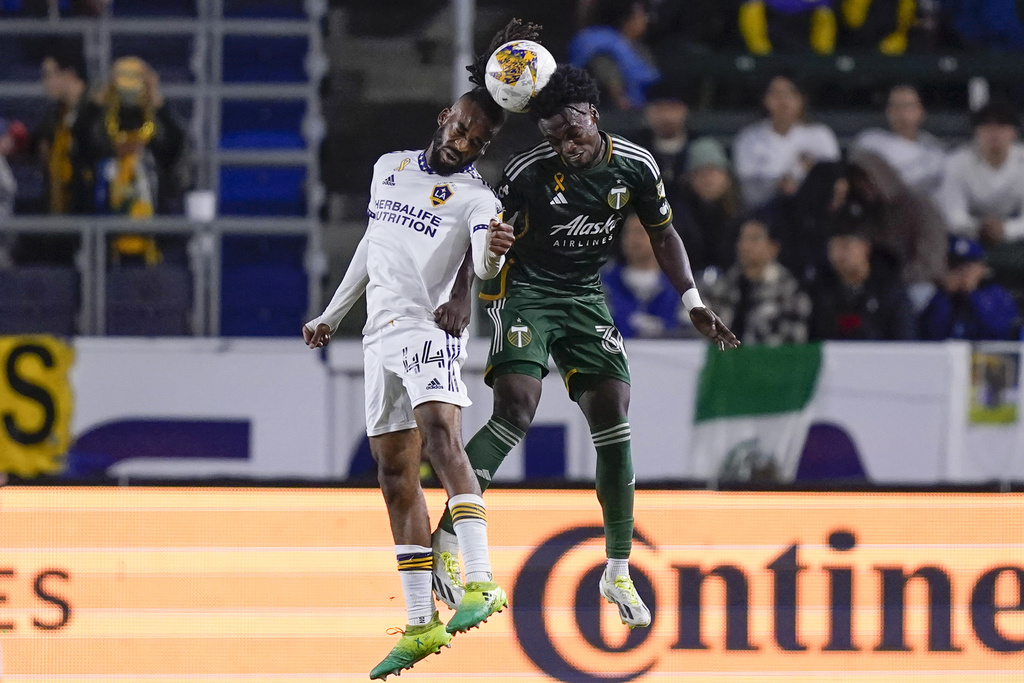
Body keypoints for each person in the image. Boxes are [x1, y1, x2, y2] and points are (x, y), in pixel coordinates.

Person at [431, 64, 738, 630]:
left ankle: (617, 568)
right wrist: (461, 297)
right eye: (552, 136)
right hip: (522, 290)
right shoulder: (528, 173)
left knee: (613, 414)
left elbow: (663, 233)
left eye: (571, 133)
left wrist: (693, 300)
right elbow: (479, 230)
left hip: (582, 295)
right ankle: (447, 536)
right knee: (518, 407)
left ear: (593, 116)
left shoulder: (637, 166)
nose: (565, 147)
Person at [301, 20, 530, 680]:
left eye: (477, 139)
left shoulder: (477, 198)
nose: (464, 142)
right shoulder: (389, 170)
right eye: (460, 128)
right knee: (395, 477)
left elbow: (485, 262)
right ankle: (422, 623)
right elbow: (373, 249)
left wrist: (486, 259)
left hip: (430, 333)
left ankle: (483, 579)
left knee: (441, 441)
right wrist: (330, 313)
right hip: (379, 336)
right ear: (443, 118)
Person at [845, 149, 948, 310]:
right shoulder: (863, 213)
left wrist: (894, 281)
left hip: (915, 284)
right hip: (874, 287)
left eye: (867, 179)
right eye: (857, 181)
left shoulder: (918, 206)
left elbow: (931, 263)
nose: (863, 186)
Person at [733, 73, 841, 209]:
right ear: (765, 99)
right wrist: (779, 186)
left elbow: (835, 184)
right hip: (767, 214)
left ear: (801, 99)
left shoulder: (820, 135)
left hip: (813, 213)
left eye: (790, 94)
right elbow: (748, 193)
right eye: (777, 94)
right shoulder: (748, 138)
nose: (784, 101)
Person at [809, 213, 916, 340]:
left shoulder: (889, 289)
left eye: (845, 246)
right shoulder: (820, 288)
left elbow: (905, 340)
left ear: (865, 248)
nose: (839, 254)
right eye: (833, 247)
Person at [706, 217, 811, 345]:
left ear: (773, 247)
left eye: (754, 239)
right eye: (742, 239)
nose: (746, 246)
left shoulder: (790, 291)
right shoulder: (724, 285)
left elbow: (795, 339)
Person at [851, 84, 947, 200]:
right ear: (888, 111)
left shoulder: (935, 150)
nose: (901, 113)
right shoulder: (870, 142)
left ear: (920, 111)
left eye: (907, 106)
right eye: (896, 107)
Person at [920, 235, 1020, 340]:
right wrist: (944, 294)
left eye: (968, 266)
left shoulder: (996, 294)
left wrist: (971, 295)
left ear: (981, 268)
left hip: (989, 354)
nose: (962, 272)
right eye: (956, 266)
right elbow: (930, 333)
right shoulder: (941, 297)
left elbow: (1000, 331)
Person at [568, 0, 660, 110]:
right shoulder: (598, 44)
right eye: (641, 14)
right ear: (624, 18)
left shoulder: (639, 48)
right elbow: (614, 91)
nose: (646, 19)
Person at [602, 214, 682, 338]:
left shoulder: (678, 287)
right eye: (627, 233)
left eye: (640, 232)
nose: (632, 239)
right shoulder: (604, 285)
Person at [674, 137, 742, 274]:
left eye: (714, 171)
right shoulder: (678, 216)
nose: (708, 179)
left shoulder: (742, 214)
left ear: (727, 177)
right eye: (700, 172)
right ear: (689, 180)